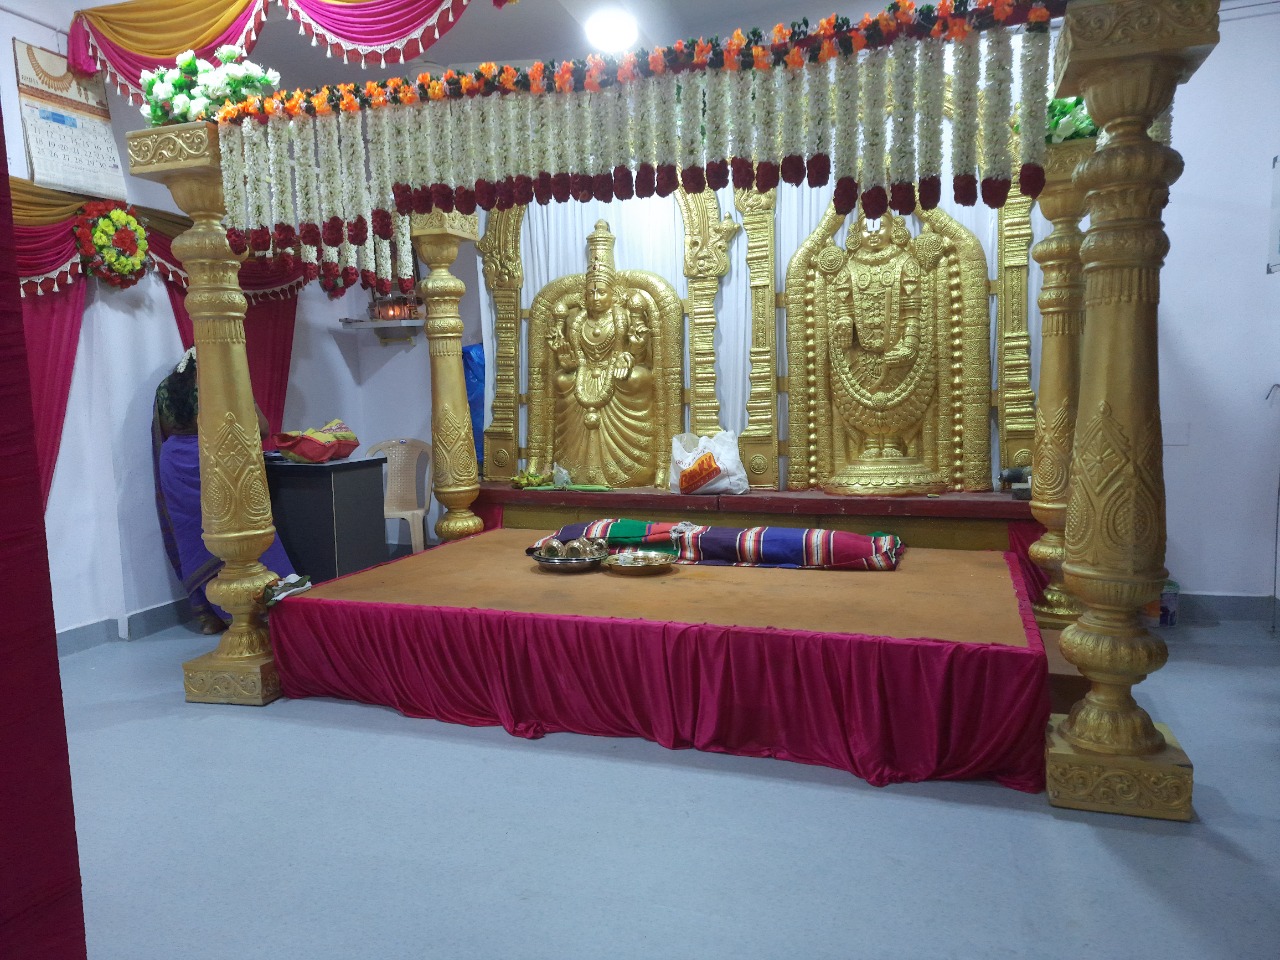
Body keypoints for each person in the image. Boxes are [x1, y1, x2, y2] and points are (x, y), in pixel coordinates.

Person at [152, 348, 295, 633]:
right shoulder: (224, 384)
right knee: (243, 531)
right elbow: (262, 429)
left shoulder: (165, 387)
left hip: (175, 466)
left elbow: (165, 429)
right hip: (214, 461)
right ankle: (265, 609)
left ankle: (209, 616)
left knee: (193, 537)